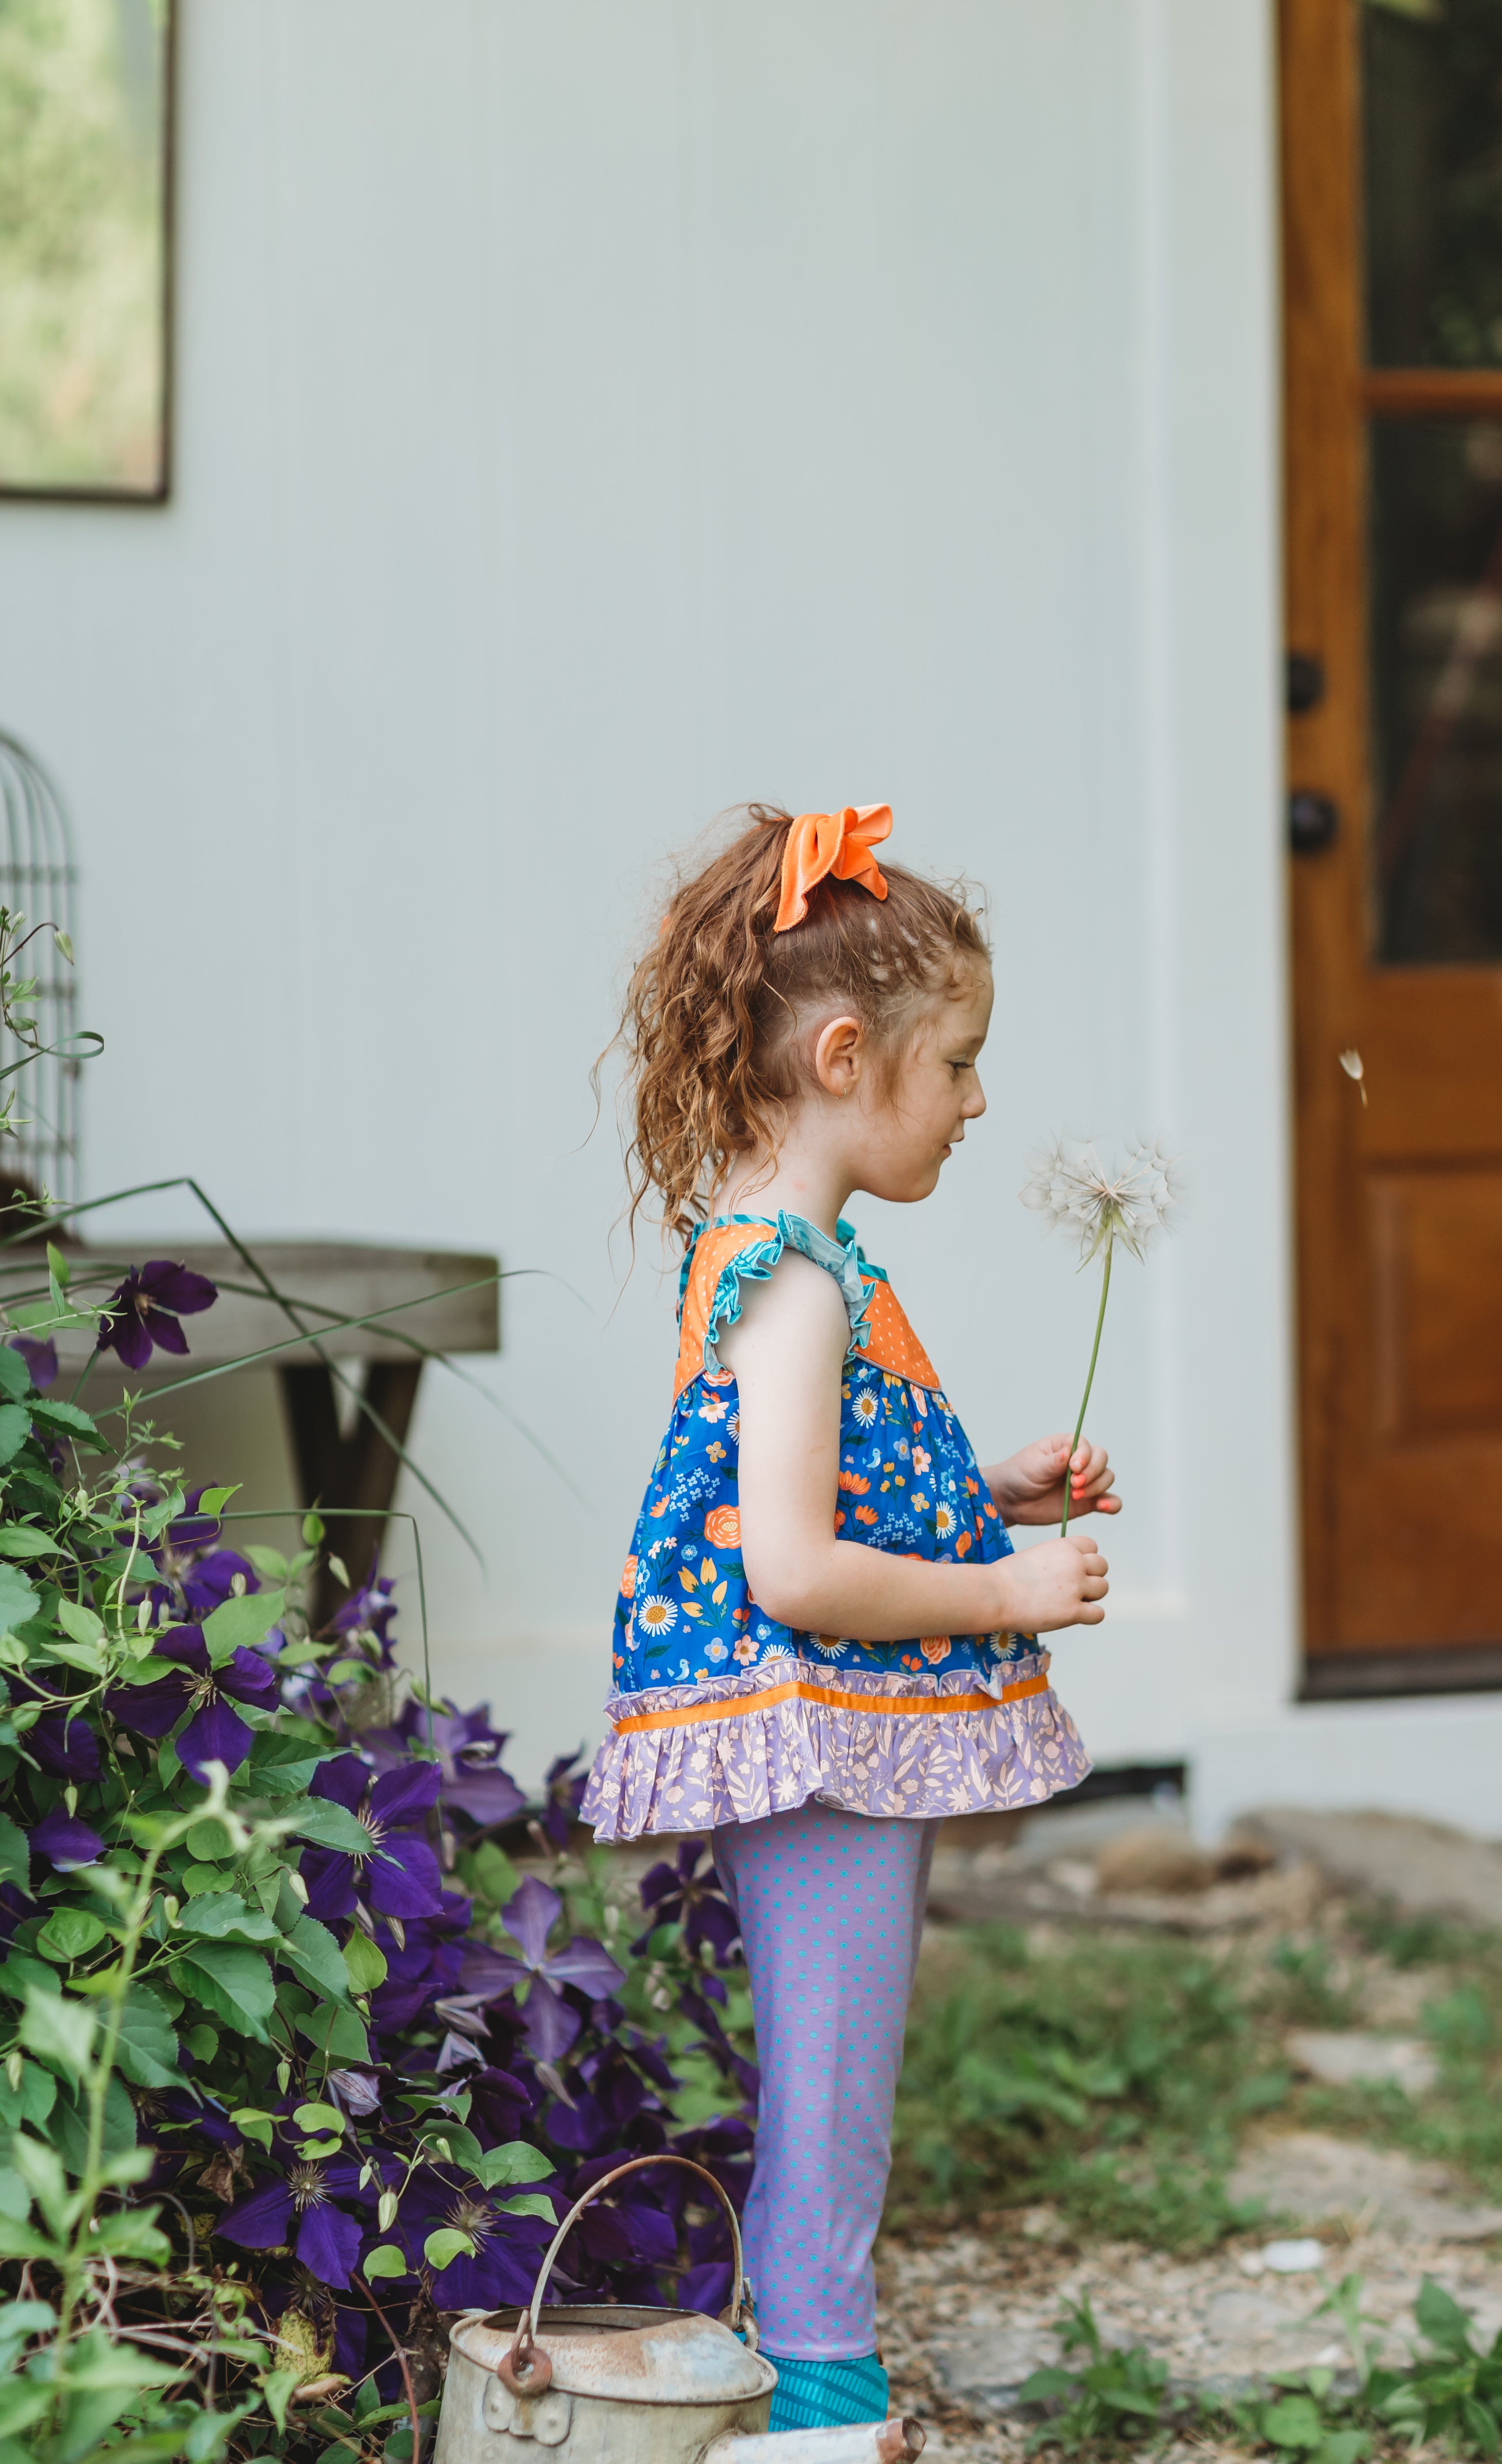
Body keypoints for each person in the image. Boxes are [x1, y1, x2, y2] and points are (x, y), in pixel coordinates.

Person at [582, 803, 1116, 2431]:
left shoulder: (781, 1248)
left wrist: (991, 1488)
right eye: (954, 1061)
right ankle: (820, 2394)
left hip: (818, 1716)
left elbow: (816, 1487)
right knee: (832, 2072)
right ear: (839, 1056)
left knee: (835, 2057)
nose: (972, 1099)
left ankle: (812, 2361)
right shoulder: (798, 1282)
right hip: (810, 1711)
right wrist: (1004, 1588)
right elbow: (795, 1568)